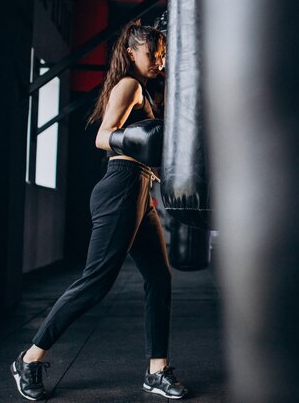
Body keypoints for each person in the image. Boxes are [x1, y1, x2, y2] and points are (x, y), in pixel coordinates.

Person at [10, 20, 187, 401]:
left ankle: (157, 370)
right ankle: (29, 357)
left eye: (162, 55)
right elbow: (102, 136)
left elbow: (143, 145)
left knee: (160, 278)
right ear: (130, 53)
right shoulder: (130, 85)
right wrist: (140, 142)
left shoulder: (147, 91)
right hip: (121, 187)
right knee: (96, 283)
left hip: (139, 188)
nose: (158, 61)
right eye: (151, 55)